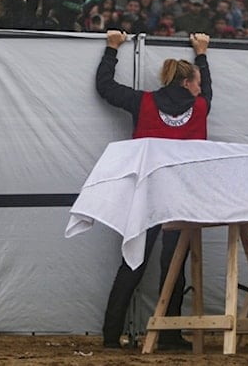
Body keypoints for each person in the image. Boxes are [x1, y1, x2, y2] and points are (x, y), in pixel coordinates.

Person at [96, 30, 212, 350]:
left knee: (133, 264)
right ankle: (169, 334)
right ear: (187, 84)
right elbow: (209, 90)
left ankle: (110, 335)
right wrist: (201, 51)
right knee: (174, 267)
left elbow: (104, 87)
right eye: (197, 82)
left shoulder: (142, 102)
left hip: (145, 196)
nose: (200, 87)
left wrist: (112, 48)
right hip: (181, 198)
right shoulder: (201, 107)